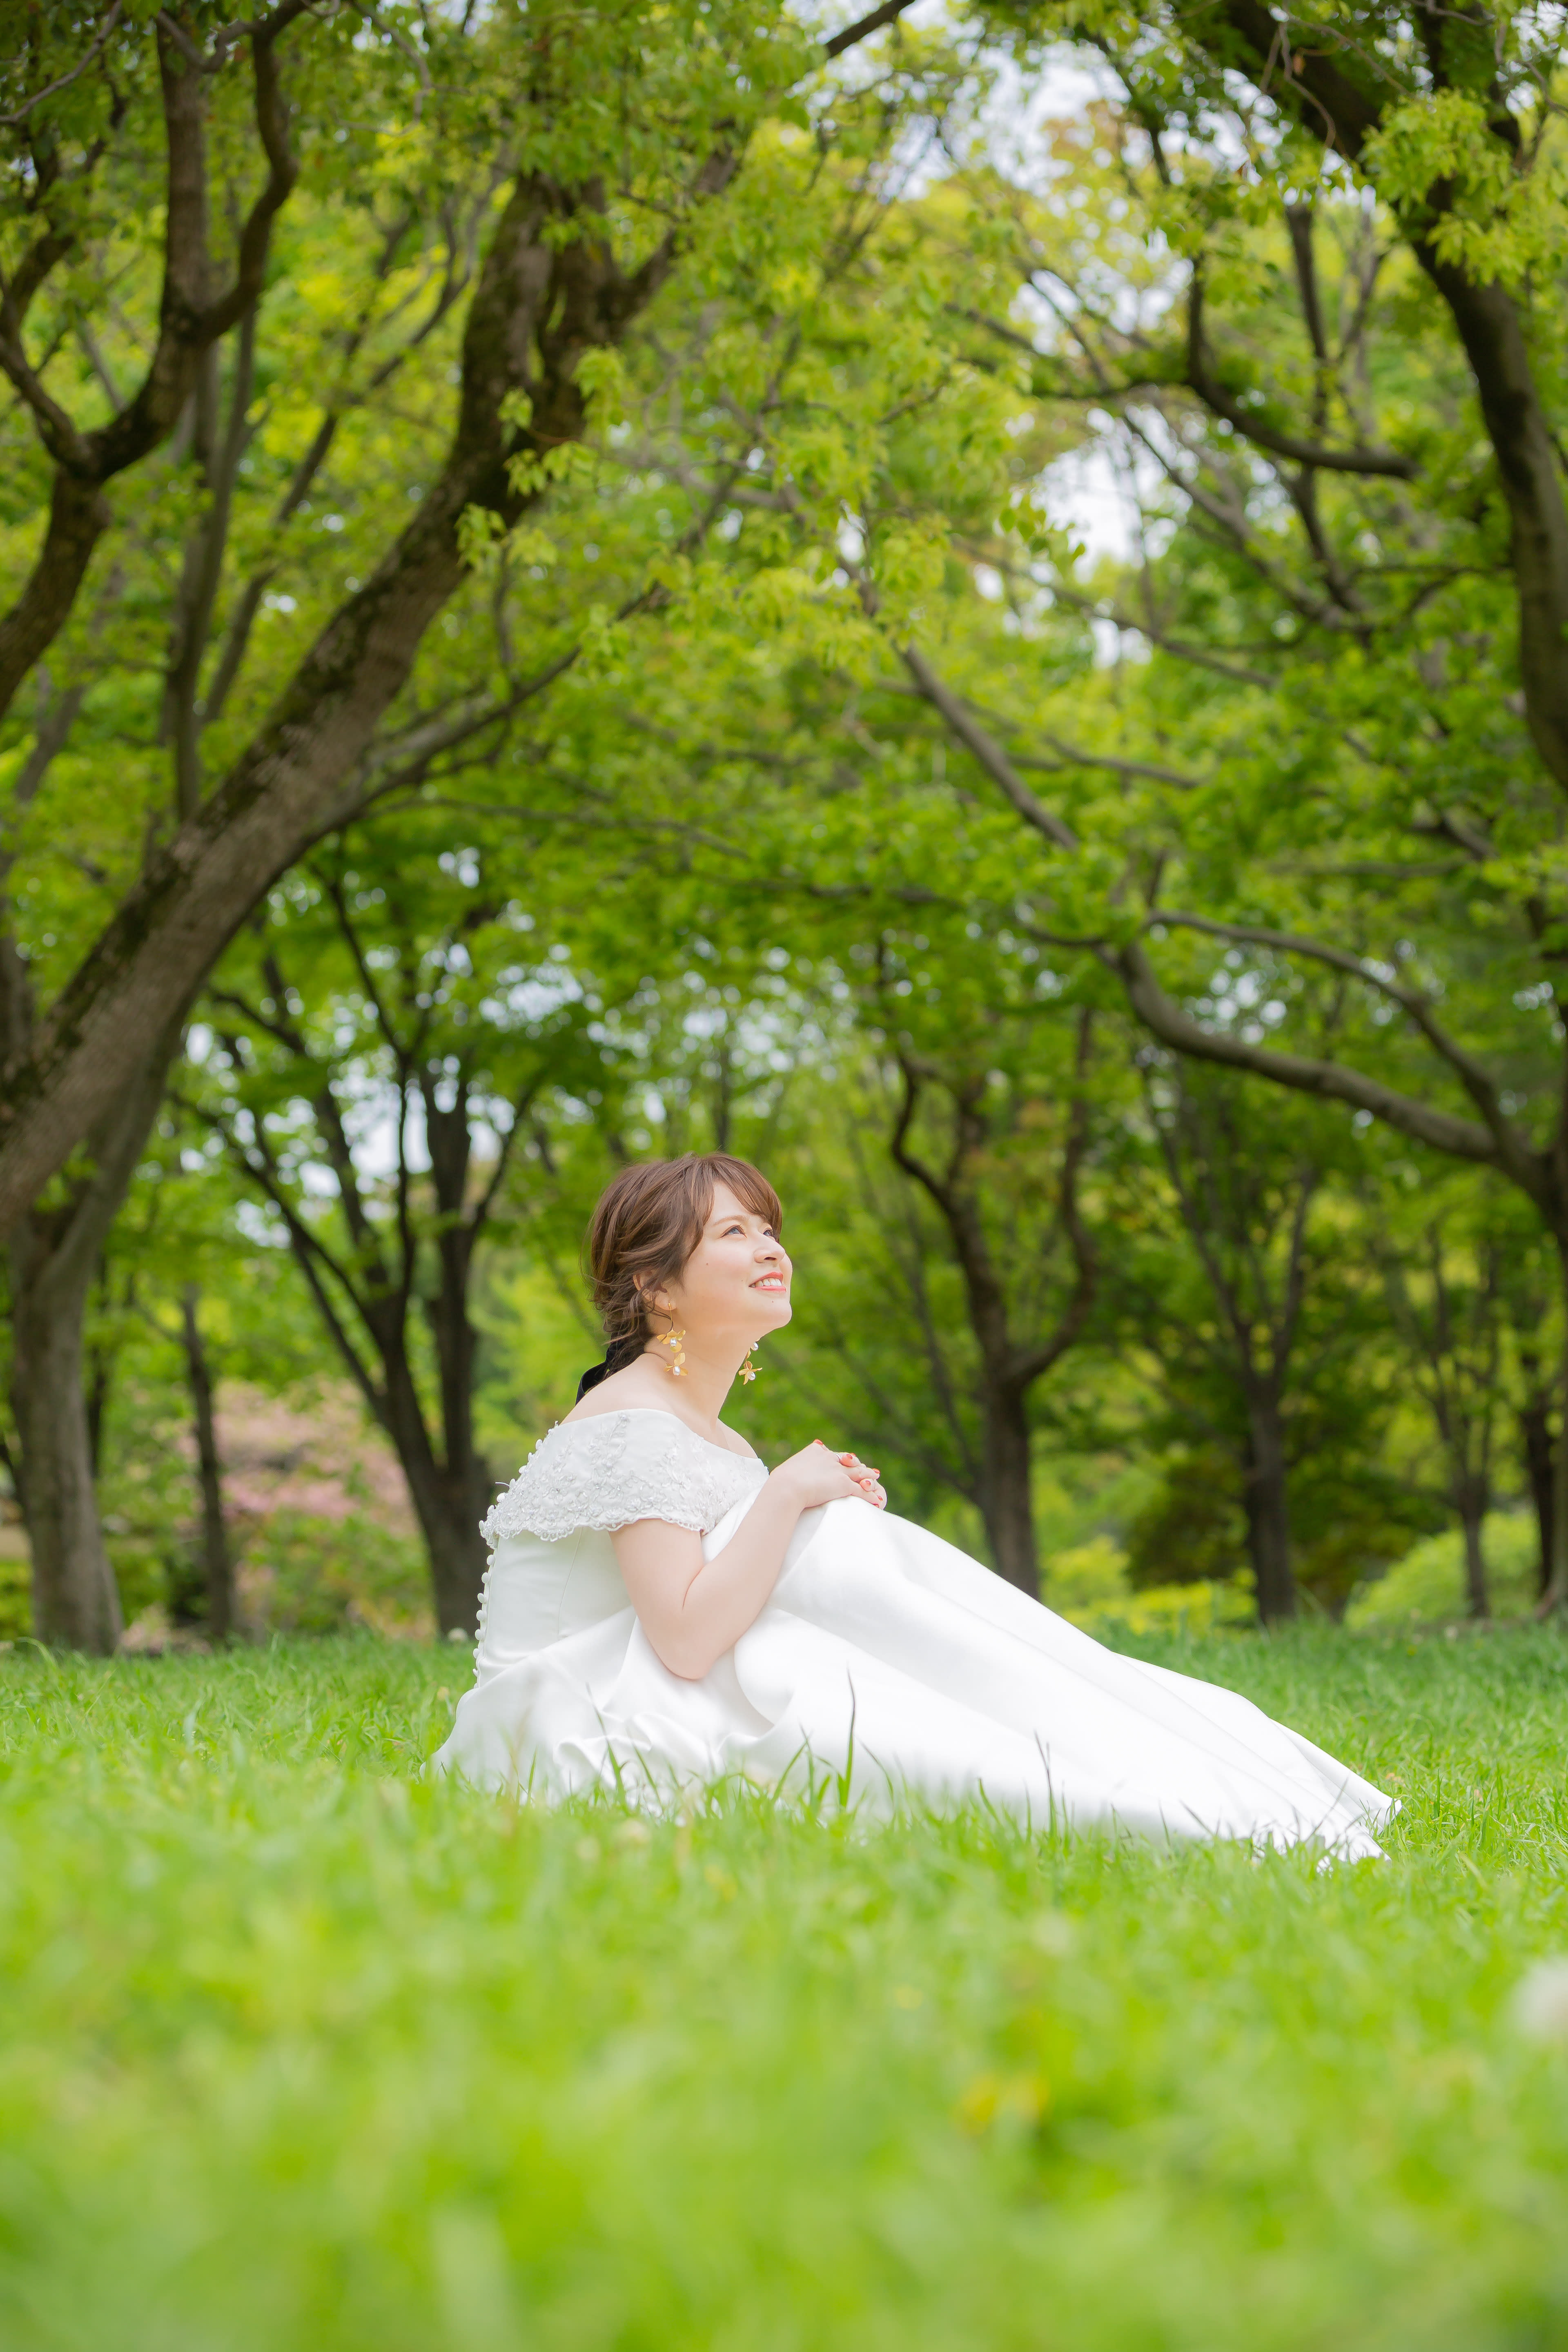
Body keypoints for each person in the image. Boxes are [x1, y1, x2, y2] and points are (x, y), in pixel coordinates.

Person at [433, 1153, 1396, 1857]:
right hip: (574, 1716)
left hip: (649, 1678)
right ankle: (1093, 1765)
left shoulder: (708, 1431)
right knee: (834, 1566)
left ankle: (1100, 1730)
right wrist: (790, 1498)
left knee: (845, 1549)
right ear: (657, 1287)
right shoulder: (632, 1422)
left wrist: (809, 1512)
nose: (771, 1248)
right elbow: (683, 1639)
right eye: (734, 1233)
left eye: (769, 1228)